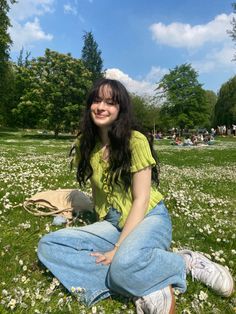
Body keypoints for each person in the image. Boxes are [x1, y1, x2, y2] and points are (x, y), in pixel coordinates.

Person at [37, 79, 234, 314]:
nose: (101, 107)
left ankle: (184, 262)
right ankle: (143, 279)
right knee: (49, 245)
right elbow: (98, 190)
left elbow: (141, 199)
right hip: (111, 222)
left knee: (122, 263)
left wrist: (118, 247)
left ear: (120, 109)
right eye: (96, 100)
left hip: (148, 217)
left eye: (110, 102)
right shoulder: (85, 144)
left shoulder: (135, 141)